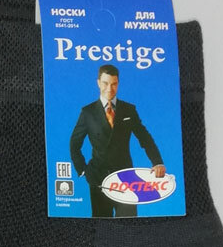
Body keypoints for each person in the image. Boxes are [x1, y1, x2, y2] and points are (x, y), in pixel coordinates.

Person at [69, 64, 165, 217]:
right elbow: (74, 144)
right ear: (98, 83)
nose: (110, 89)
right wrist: (83, 171)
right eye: (105, 83)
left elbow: (145, 138)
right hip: (98, 178)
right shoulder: (88, 112)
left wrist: (157, 162)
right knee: (101, 224)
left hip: (126, 177)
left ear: (118, 83)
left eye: (114, 84)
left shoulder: (129, 110)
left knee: (128, 224)